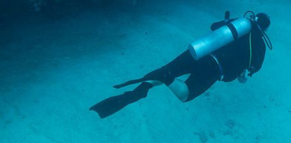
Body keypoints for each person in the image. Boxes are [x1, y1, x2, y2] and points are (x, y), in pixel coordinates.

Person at [90, 11, 273, 118]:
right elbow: (255, 68)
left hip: (198, 52)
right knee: (185, 94)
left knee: (167, 69)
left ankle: (137, 91)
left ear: (252, 19)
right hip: (214, 69)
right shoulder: (260, 45)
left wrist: (227, 22)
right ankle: (168, 79)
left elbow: (213, 26)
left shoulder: (236, 25)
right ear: (264, 30)